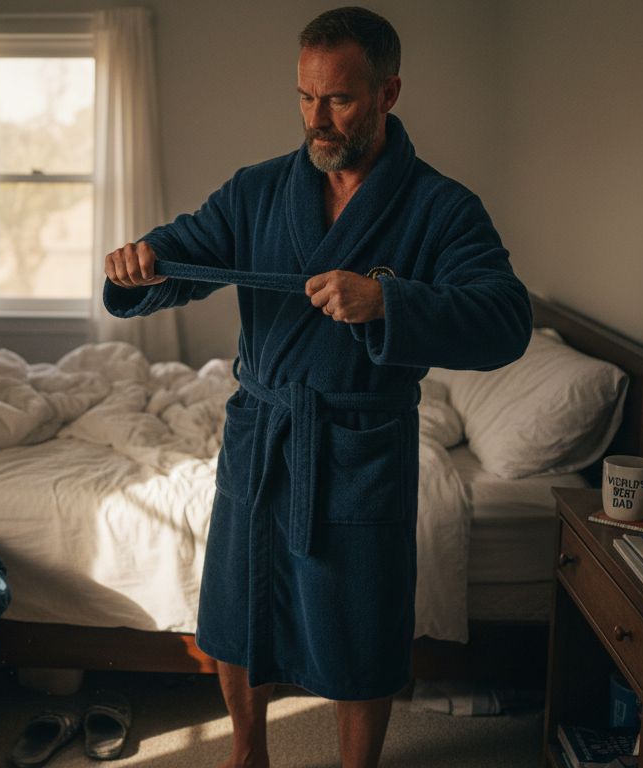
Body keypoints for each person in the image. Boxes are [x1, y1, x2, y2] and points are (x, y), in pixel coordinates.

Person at [104, 7, 531, 767]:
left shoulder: (441, 208)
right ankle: (247, 752)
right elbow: (188, 249)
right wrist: (146, 259)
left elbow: (504, 320)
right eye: (304, 97)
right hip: (262, 431)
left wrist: (387, 301)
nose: (316, 118)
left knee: (361, 623)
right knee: (236, 607)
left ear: (387, 93)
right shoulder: (260, 189)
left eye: (336, 98)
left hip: (361, 443)